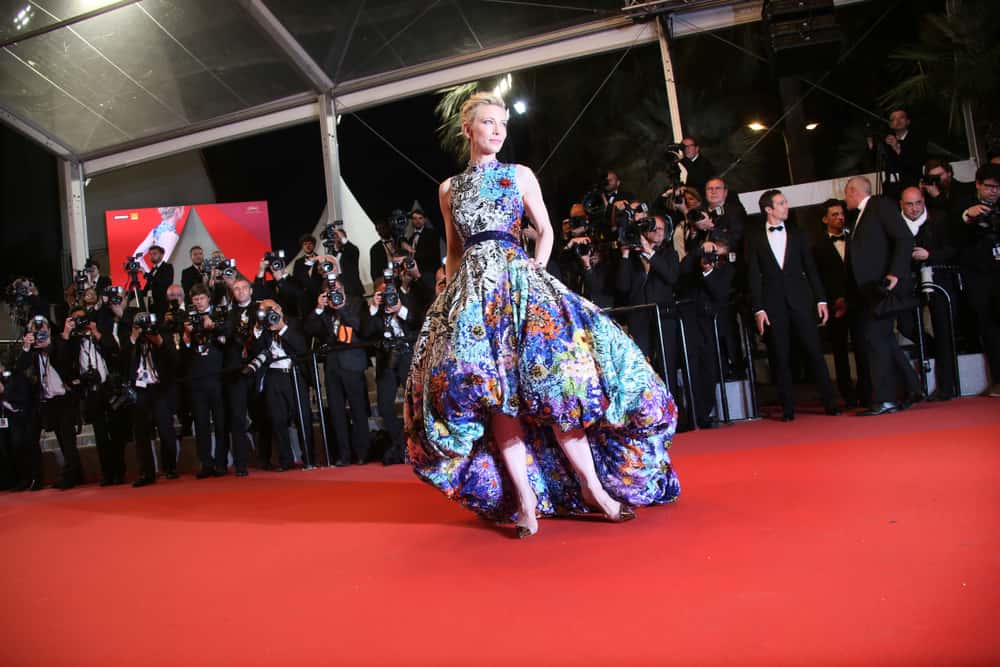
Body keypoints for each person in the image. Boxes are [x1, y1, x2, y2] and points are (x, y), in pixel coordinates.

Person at [404, 93, 680, 539]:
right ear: (467, 130)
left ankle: (594, 488)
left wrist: (536, 266)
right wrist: (452, 296)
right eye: (488, 123)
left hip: (522, 290)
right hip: (475, 300)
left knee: (557, 388)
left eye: (502, 124)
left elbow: (547, 229)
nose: (497, 131)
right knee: (498, 397)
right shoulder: (448, 189)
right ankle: (526, 503)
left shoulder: (519, 175)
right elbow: (455, 250)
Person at [747, 190, 839, 421]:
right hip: (772, 304)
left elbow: (811, 268)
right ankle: (788, 409)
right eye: (781, 203)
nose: (786, 206)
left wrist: (821, 299)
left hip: (801, 301)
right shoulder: (754, 238)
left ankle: (830, 402)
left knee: (814, 352)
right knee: (780, 356)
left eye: (785, 202)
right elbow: (754, 276)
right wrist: (759, 309)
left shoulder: (798, 234)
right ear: (768, 209)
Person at [843, 176, 920, 415]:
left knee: (875, 340)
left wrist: (894, 274)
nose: (845, 199)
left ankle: (885, 400)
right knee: (883, 340)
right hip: (869, 292)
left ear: (853, 191)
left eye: (846, 194)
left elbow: (905, 238)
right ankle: (913, 387)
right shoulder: (862, 215)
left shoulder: (879, 205)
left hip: (883, 288)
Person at [897, 186, 959, 400]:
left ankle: (946, 388)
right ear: (901, 205)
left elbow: (954, 250)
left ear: (923, 201)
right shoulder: (896, 225)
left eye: (918, 203)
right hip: (908, 285)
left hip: (939, 281)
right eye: (909, 204)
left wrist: (929, 255)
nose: (914, 209)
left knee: (944, 331)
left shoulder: (939, 219)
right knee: (906, 325)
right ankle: (930, 347)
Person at [811, 199, 869, 408]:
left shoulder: (855, 238)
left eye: (841, 214)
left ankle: (866, 391)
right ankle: (847, 394)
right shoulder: (817, 247)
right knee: (839, 351)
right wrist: (831, 300)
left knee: (863, 347)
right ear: (825, 219)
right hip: (835, 306)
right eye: (834, 214)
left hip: (858, 302)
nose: (839, 217)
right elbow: (817, 278)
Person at [954, 164, 1000, 397]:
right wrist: (968, 216)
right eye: (990, 187)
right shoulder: (963, 204)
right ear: (978, 185)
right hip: (978, 278)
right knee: (989, 328)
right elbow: (954, 233)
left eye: (998, 187)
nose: (994, 192)